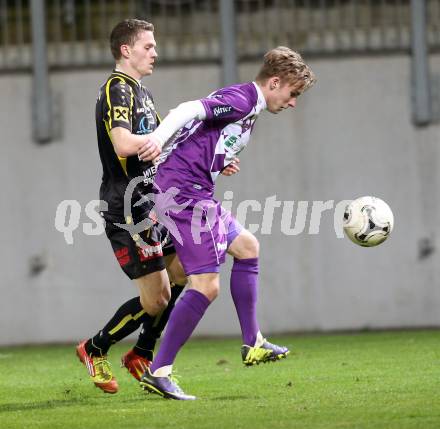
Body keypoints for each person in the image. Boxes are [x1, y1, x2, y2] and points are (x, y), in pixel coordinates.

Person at [137, 46, 316, 400]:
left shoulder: (247, 106)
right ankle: (159, 371)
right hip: (184, 195)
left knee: (247, 247)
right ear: (275, 82)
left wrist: (218, 162)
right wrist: (156, 139)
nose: (294, 102)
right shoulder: (243, 99)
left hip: (195, 189)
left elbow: (203, 134)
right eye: (293, 93)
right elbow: (189, 110)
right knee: (205, 286)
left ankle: (253, 343)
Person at [76, 18, 239, 394]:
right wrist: (148, 141)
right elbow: (122, 144)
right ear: (125, 50)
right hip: (130, 210)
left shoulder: (142, 93)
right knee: (158, 298)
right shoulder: (118, 88)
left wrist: (216, 160)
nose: (155, 52)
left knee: (184, 269)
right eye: (148, 46)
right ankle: (94, 347)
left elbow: (167, 144)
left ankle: (142, 352)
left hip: (155, 202)